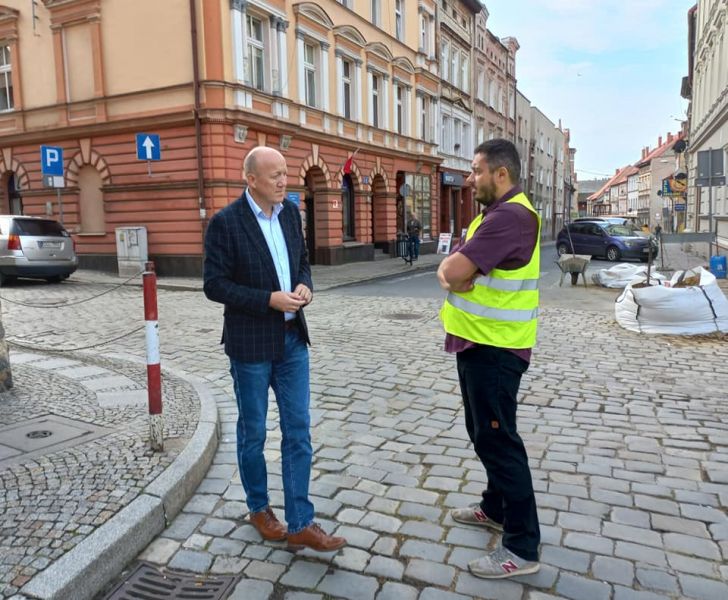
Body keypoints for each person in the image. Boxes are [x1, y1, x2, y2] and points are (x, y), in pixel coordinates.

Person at [203, 146, 346, 553]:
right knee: (253, 432)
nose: (284, 181)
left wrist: (305, 287)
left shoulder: (290, 216)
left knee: (298, 430)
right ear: (251, 180)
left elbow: (301, 264)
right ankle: (259, 508)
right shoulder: (226, 223)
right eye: (275, 175)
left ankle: (301, 522)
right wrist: (268, 299)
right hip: (250, 344)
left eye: (286, 173)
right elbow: (214, 285)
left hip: (292, 339)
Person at [437, 139, 541, 579]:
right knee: (483, 434)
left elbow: (453, 271)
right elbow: (458, 268)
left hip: (495, 349)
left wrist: (451, 273)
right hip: (478, 343)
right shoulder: (492, 215)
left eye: (476, 170)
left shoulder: (510, 217)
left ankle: (521, 547)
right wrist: (455, 271)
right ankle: (494, 508)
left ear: (501, 174)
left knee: (499, 442)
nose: (469, 178)